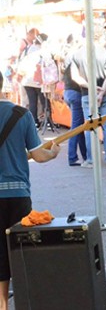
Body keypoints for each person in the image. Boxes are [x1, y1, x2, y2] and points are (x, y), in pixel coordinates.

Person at [0, 71, 60, 310]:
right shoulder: (21, 114)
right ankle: (27, 302)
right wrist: (53, 153)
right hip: (17, 194)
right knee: (21, 250)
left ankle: (2, 304)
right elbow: (38, 155)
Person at [70, 34, 106, 168]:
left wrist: (90, 86)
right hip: (104, 94)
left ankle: (91, 159)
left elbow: (75, 77)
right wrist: (102, 92)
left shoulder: (77, 54)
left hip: (86, 95)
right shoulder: (104, 52)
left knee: (91, 127)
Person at [62, 34, 87, 166]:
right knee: (76, 127)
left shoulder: (69, 61)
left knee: (79, 126)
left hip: (68, 92)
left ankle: (85, 155)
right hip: (76, 94)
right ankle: (72, 157)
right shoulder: (78, 61)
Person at [17, 33, 49, 128]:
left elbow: (22, 66)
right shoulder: (43, 52)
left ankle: (34, 121)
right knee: (44, 101)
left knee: (32, 102)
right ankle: (47, 120)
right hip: (38, 81)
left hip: (27, 80)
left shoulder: (28, 50)